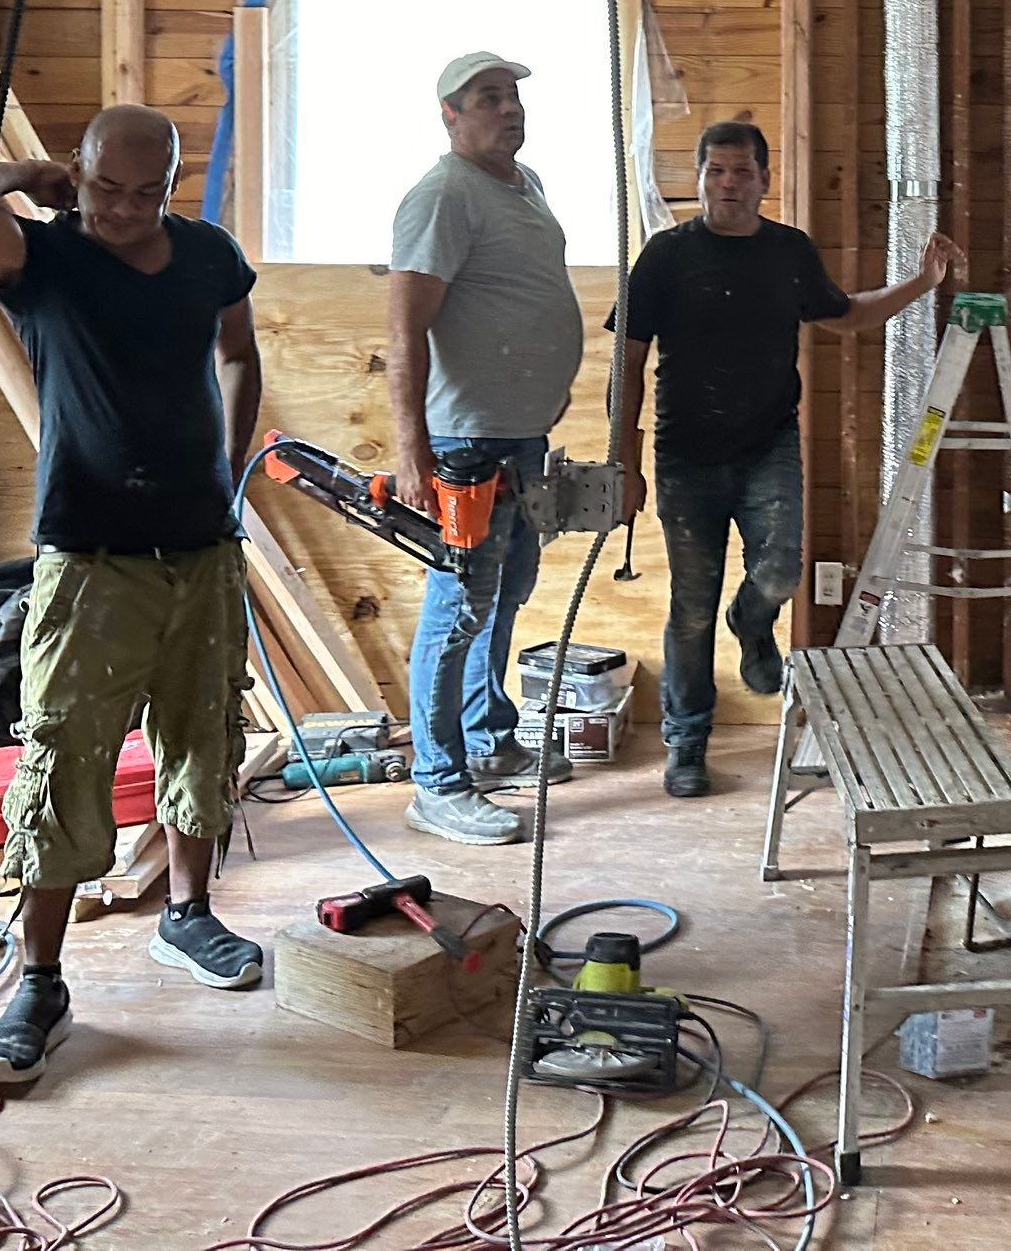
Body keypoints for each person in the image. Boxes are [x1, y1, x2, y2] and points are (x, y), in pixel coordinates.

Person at [0, 104, 266, 1092]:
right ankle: (39, 978)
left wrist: (225, 462)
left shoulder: (207, 254)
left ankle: (188, 915)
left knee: (203, 734)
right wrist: (28, 173)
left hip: (201, 545)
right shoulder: (43, 259)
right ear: (84, 172)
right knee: (67, 751)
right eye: (107, 186)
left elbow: (238, 350)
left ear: (173, 184)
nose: (124, 208)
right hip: (89, 546)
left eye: (146, 191)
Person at [610, 120, 962, 798]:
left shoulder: (787, 251)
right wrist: (623, 461)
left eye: (743, 172)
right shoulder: (665, 256)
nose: (728, 185)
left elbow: (848, 315)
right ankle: (686, 745)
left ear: (765, 180)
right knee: (690, 608)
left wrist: (923, 283)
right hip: (686, 456)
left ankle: (753, 619)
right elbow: (627, 362)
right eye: (716, 172)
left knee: (779, 570)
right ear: (701, 179)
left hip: (768, 446)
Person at [386, 51, 588, 846]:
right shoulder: (441, 195)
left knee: (507, 590)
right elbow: (405, 328)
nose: (508, 110)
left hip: (520, 433)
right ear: (449, 114)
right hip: (466, 441)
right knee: (459, 604)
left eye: (512, 97)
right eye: (487, 98)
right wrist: (412, 451)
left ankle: (488, 737)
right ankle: (437, 783)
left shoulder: (522, 183)